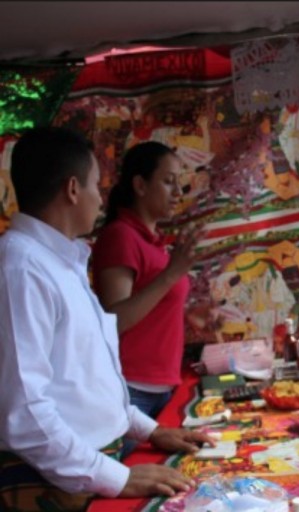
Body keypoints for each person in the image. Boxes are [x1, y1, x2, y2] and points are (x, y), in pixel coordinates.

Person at [0, 127, 214, 511]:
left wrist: (151, 429)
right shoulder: (21, 268)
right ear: (71, 189)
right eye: (96, 185)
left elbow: (86, 378)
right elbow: (24, 410)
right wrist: (116, 476)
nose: (101, 198)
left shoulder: (59, 262)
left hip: (88, 468)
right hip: (55, 480)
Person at [92, 141, 202, 422]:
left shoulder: (152, 241)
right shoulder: (120, 236)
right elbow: (113, 319)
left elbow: (152, 309)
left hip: (161, 385)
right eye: (168, 182)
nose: (179, 192)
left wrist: (192, 316)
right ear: (140, 185)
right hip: (132, 389)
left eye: (179, 183)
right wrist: (170, 275)